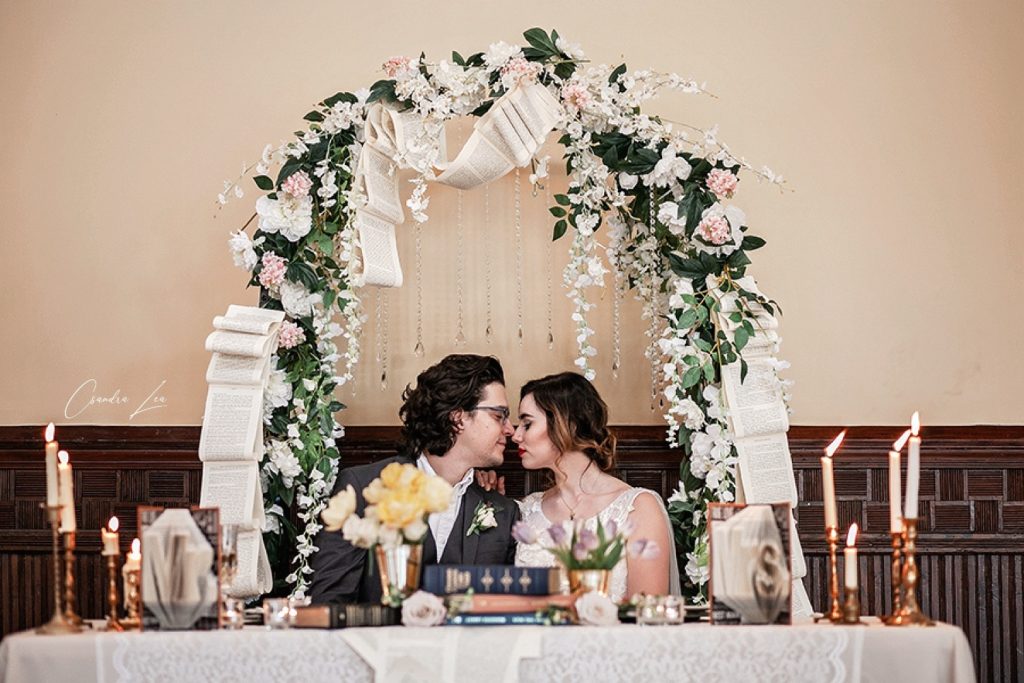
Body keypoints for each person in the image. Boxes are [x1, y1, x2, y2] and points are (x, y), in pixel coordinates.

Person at [309, 354, 520, 604]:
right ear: (458, 418)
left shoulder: (504, 513)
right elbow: (329, 600)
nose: (510, 430)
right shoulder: (364, 488)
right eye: (499, 416)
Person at [498, 371, 678, 601]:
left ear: (567, 425)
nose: (516, 435)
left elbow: (646, 613)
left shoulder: (638, 508)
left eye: (527, 423)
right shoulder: (525, 510)